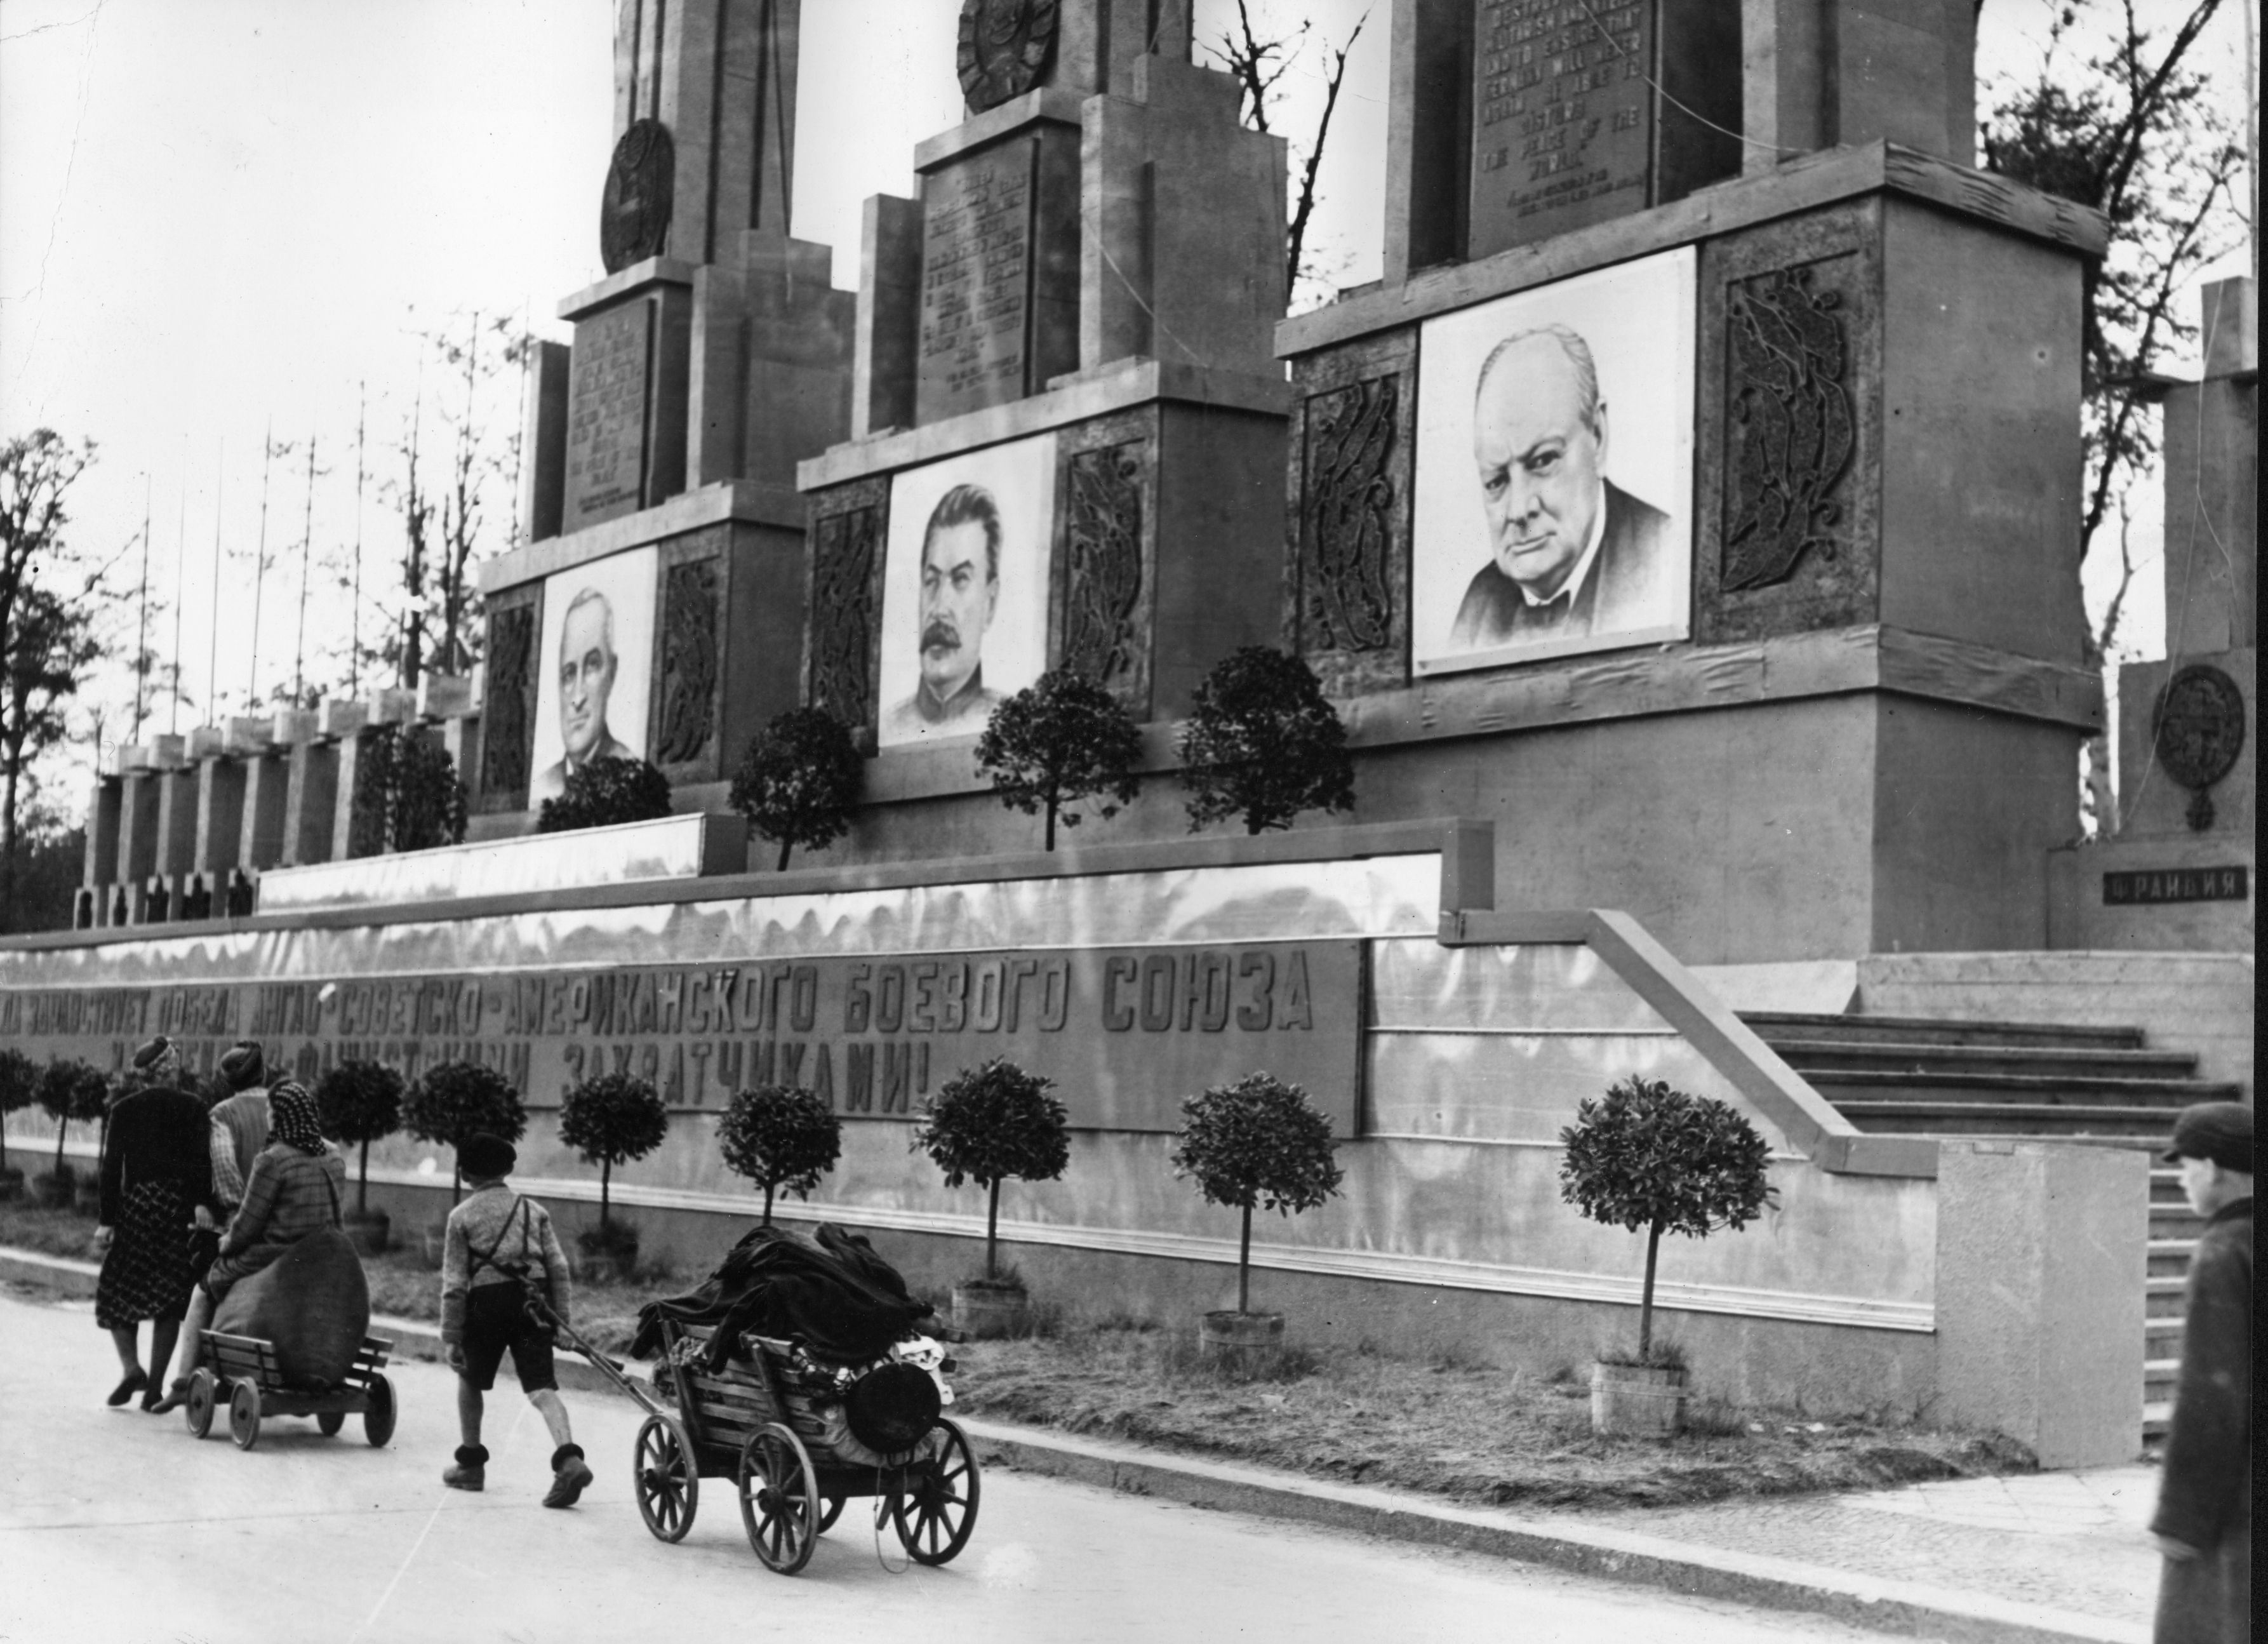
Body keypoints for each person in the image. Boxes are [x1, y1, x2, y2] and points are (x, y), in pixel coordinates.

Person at [1451, 323, 1671, 653]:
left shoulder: (1666, 559)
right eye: (1496, 481)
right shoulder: (1478, 608)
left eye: (1542, 461)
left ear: (1597, 435)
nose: (1519, 510)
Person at [153, 1080, 347, 1405]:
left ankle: (184, 1382)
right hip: (323, 1254)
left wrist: (225, 1244)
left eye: (271, 1110)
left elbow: (248, 1224)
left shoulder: (273, 1159)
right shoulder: (334, 1155)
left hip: (273, 1257)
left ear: (280, 1115)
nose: (268, 1115)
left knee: (203, 1290)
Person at [439, 1131, 592, 1507]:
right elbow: (558, 1267)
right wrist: (562, 1323)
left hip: (486, 1303)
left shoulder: (461, 1217)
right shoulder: (533, 1211)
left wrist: (451, 1335)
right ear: (508, 1168)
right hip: (533, 1300)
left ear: (465, 1175)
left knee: (470, 1378)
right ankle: (569, 1458)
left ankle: (471, 1466)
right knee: (542, 1387)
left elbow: (456, 1283)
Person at [2150, 1100, 2250, 1644]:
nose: (2183, 1180)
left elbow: (2210, 1393)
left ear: (2211, 1168)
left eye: (2185, 1166)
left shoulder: (2223, 1248)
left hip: (2232, 1503)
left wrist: (2180, 1518)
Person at [93, 1036, 213, 1411]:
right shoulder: (192, 1106)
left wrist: (107, 1221)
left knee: (116, 1290)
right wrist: (200, 1204)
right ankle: (154, 1389)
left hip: (137, 1209)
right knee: (169, 1298)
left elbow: (111, 1168)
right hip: (176, 1210)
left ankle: (132, 1368)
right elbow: (200, 1163)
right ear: (170, 1068)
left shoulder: (124, 1109)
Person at [881, 484, 1007, 741]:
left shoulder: (1012, 723)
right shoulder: (888, 726)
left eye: (961, 579)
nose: (939, 608)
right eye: (931, 581)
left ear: (991, 603)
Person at [531, 586, 634, 801]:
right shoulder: (544, 786)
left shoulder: (631, 772)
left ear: (612, 673)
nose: (577, 698)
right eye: (568, 675)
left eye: (592, 667)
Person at [206, 1040, 272, 1219]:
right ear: (263, 1073)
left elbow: (223, 1164)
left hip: (242, 1220)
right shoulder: (283, 1106)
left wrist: (242, 1209)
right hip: (284, 1218)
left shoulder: (222, 1113)